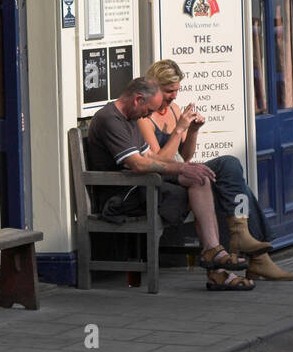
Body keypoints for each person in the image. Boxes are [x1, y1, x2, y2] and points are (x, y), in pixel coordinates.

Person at [85, 77, 259, 291]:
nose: (147, 116)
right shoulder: (110, 119)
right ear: (138, 99)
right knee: (192, 184)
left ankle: (213, 252)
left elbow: (150, 157)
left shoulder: (130, 118)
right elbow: (138, 165)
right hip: (121, 196)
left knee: (200, 178)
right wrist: (180, 168)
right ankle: (216, 264)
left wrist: (187, 166)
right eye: (148, 111)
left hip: (140, 185)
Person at [140, 60, 293, 281]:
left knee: (234, 176)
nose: (174, 96)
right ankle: (257, 256)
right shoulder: (145, 117)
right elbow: (162, 163)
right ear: (154, 87)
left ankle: (245, 238)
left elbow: (186, 155)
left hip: (183, 170)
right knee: (231, 180)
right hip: (167, 177)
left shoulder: (173, 109)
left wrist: (192, 131)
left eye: (176, 91)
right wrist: (180, 129)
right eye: (168, 91)